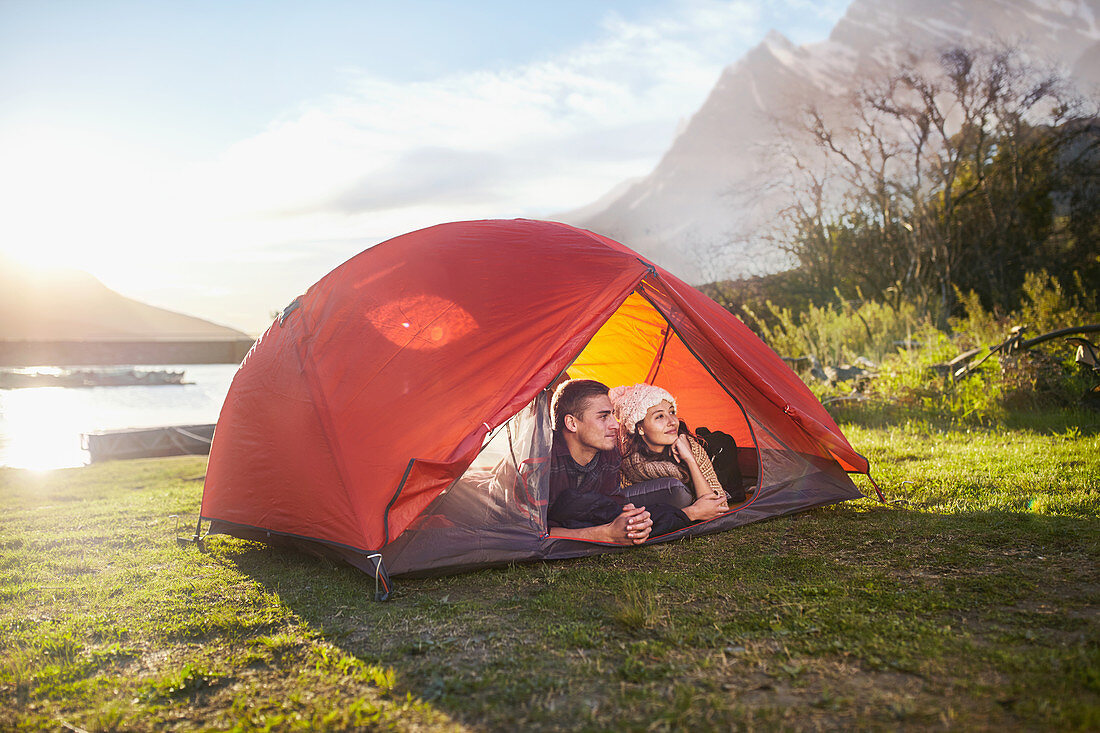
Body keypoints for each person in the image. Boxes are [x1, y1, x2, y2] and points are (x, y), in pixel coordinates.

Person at [546, 379, 724, 545]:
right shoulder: (542, 459)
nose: (615, 425)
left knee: (648, 514)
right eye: (603, 416)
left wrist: (628, 522)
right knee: (573, 501)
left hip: (583, 518)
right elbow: (528, 532)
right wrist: (606, 533)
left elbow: (610, 510)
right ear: (572, 423)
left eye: (612, 415)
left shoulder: (608, 453)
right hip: (560, 520)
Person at [609, 383, 740, 511]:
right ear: (640, 428)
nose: (672, 422)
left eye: (672, 412)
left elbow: (720, 507)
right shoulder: (626, 460)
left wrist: (690, 459)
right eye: (659, 416)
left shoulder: (690, 447)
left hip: (715, 458)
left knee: (723, 442)